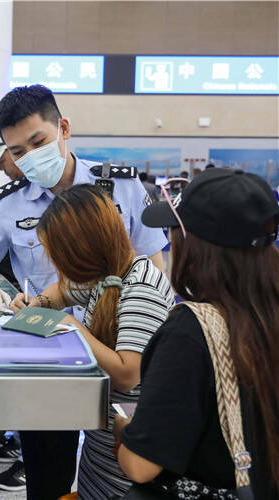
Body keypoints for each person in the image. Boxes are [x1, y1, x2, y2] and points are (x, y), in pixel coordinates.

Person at [0, 85, 169, 500]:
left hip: (125, 362)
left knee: (121, 461)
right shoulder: (8, 204)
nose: (30, 157)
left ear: (63, 128)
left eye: (38, 142)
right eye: (17, 151)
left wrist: (74, 325)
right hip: (49, 367)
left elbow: (149, 279)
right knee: (54, 475)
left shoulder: (120, 188)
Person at [116, 168, 279, 499]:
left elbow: (141, 466)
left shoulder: (191, 332)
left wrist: (126, 431)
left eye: (174, 230)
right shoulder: (268, 314)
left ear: (196, 246)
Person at [9, 184, 175, 498]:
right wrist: (39, 306)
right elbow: (61, 292)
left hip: (125, 468)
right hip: (99, 460)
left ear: (82, 249)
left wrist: (74, 329)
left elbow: (128, 374)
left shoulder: (141, 287)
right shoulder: (108, 277)